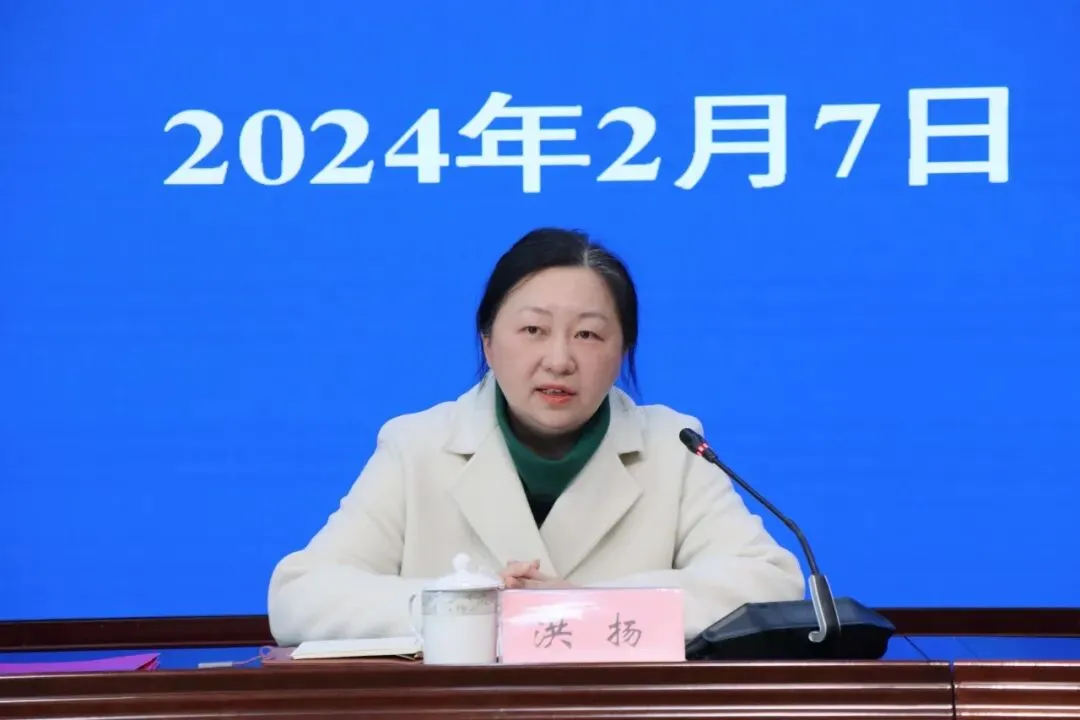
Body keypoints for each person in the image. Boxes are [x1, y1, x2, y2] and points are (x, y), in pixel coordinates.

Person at [267, 228, 805, 647]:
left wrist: (583, 606)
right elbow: (300, 597)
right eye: (533, 330)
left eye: (588, 334)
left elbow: (769, 584)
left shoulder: (672, 445)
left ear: (622, 351)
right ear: (488, 342)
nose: (559, 359)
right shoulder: (418, 446)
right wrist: (469, 608)